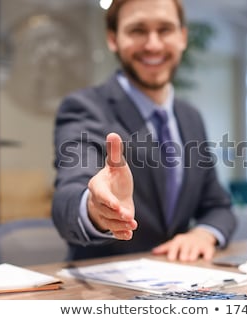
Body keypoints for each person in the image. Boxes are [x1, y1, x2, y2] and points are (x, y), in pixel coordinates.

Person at [52, 0, 236, 262]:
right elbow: (67, 198)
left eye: (165, 29)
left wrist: (204, 234)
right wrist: (95, 207)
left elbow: (218, 206)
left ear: (182, 37)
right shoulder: (85, 108)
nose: (153, 44)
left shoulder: (190, 117)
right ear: (113, 39)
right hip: (106, 292)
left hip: (182, 284)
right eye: (137, 30)